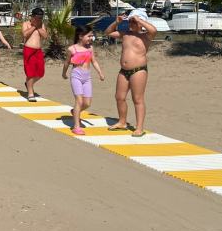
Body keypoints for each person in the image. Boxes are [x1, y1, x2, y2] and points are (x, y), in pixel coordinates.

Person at [104, 8, 157, 137]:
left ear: (141, 22)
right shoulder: (125, 34)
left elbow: (153, 30)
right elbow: (108, 32)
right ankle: (122, 122)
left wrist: (138, 20)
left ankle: (139, 127)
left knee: (137, 99)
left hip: (138, 71)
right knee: (119, 97)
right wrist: (116, 22)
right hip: (123, 71)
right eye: (130, 22)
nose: (131, 24)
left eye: (133, 22)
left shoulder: (146, 36)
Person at [62, 25, 105, 135]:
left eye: (92, 36)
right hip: (76, 75)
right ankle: (76, 126)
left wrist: (100, 73)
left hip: (87, 77)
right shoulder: (72, 49)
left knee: (87, 103)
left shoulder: (90, 48)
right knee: (79, 101)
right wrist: (64, 73)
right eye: (89, 36)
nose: (91, 38)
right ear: (80, 36)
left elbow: (94, 61)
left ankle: (74, 111)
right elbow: (67, 62)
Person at [21, 7, 48, 101]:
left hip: (38, 51)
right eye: (37, 18)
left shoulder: (41, 25)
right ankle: (30, 93)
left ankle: (29, 84)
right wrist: (33, 26)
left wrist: (38, 27)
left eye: (40, 18)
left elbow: (45, 36)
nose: (39, 20)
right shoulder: (26, 24)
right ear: (32, 17)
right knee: (30, 73)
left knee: (40, 73)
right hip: (28, 50)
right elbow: (25, 35)